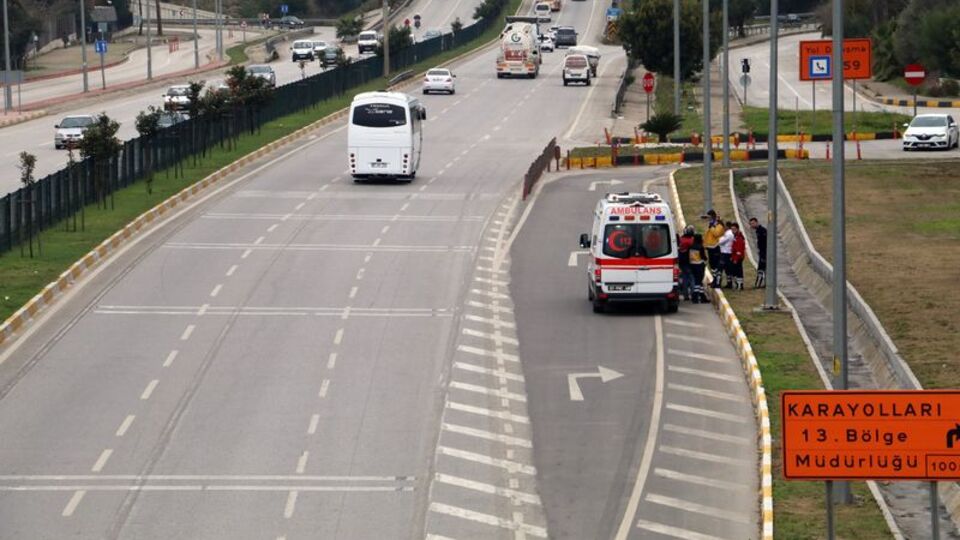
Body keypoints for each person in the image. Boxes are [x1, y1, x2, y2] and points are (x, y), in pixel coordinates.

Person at [702, 209, 725, 288]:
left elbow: (716, 234)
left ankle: (717, 281)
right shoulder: (712, 225)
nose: (708, 219)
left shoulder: (719, 225)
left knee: (715, 265)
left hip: (715, 247)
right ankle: (714, 280)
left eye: (709, 217)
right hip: (710, 247)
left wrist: (712, 226)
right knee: (712, 266)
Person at [688, 233, 708, 303]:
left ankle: (702, 297)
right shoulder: (700, 247)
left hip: (692, 264)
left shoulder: (691, 246)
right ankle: (695, 297)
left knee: (699, 281)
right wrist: (706, 259)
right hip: (699, 265)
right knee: (698, 281)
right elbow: (703, 256)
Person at [678, 225, 695, 301]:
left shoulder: (681, 239)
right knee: (691, 277)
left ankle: (685, 295)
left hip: (681, 262)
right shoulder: (691, 241)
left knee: (684, 278)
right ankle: (693, 293)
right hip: (689, 262)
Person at [749, 217, 767, 288]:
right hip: (762, 251)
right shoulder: (758, 231)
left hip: (764, 252)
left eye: (753, 223)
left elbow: (765, 242)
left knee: (761, 269)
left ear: (757, 222)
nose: (752, 225)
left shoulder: (762, 231)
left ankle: (758, 284)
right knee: (763, 269)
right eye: (751, 224)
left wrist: (763, 252)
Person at [718, 220, 735, 288]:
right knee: (727, 269)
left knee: (721, 268)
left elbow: (721, 241)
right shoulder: (728, 233)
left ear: (727, 226)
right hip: (726, 252)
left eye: (724, 226)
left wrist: (720, 237)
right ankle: (729, 283)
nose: (723, 227)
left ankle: (719, 282)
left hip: (725, 253)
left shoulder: (728, 234)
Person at [729, 222, 746, 290]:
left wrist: (736, 259)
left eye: (734, 229)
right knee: (735, 271)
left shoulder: (739, 237)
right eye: (732, 229)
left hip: (738, 257)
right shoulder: (735, 236)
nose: (733, 231)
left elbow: (739, 250)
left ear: (737, 229)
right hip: (735, 256)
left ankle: (739, 285)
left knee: (738, 271)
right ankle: (738, 284)